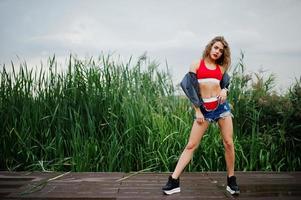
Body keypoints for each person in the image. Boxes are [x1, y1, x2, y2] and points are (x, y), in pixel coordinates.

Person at [162, 36, 240, 195]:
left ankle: (231, 181)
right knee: (191, 145)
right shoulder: (196, 65)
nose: (217, 52)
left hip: (221, 108)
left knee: (229, 143)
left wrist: (225, 91)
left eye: (221, 50)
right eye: (216, 48)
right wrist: (197, 110)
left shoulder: (221, 68)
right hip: (203, 110)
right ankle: (174, 181)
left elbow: (224, 85)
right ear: (210, 47)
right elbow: (190, 89)